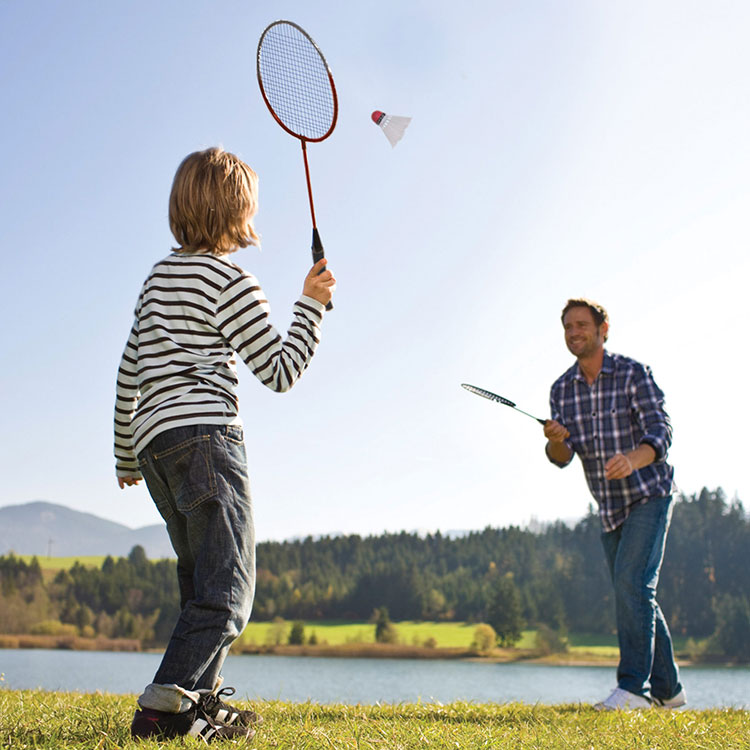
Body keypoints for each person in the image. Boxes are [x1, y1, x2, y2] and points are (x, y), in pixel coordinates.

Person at [114, 147, 336, 742]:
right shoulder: (229, 278)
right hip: (208, 437)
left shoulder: (157, 278)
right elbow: (281, 370)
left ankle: (198, 710)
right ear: (239, 210)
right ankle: (160, 712)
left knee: (201, 586)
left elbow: (128, 368)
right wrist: (311, 305)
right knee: (230, 591)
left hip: (154, 445)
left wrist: (122, 452)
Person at [543, 299, 685, 711]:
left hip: (650, 494)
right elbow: (562, 457)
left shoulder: (631, 374)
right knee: (635, 593)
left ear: (604, 328)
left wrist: (633, 459)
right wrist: (554, 440)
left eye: (582, 325)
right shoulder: (561, 390)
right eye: (568, 326)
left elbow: (661, 430)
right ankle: (670, 692)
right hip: (609, 507)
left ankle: (632, 689)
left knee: (633, 585)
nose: (574, 332)